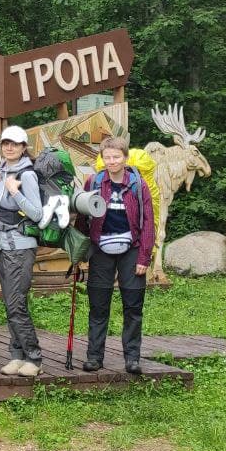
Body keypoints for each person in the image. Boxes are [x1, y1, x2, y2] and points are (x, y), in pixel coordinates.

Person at [80, 136, 155, 375]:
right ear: (102, 158)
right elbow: (82, 218)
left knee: (133, 306)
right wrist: (80, 252)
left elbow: (148, 223)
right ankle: (94, 357)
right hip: (101, 250)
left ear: (125, 158)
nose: (112, 161)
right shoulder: (93, 182)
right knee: (98, 306)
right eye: (107, 157)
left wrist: (144, 257)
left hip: (131, 250)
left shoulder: (137, 184)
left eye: (116, 157)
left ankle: (132, 358)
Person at [0, 125, 44, 377]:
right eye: (5, 143)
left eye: (14, 144)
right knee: (10, 304)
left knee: (16, 304)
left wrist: (14, 192)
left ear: (23, 147)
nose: (9, 147)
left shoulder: (27, 174)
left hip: (20, 247)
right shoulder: (2, 170)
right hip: (2, 245)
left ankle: (34, 357)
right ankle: (16, 355)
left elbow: (36, 213)